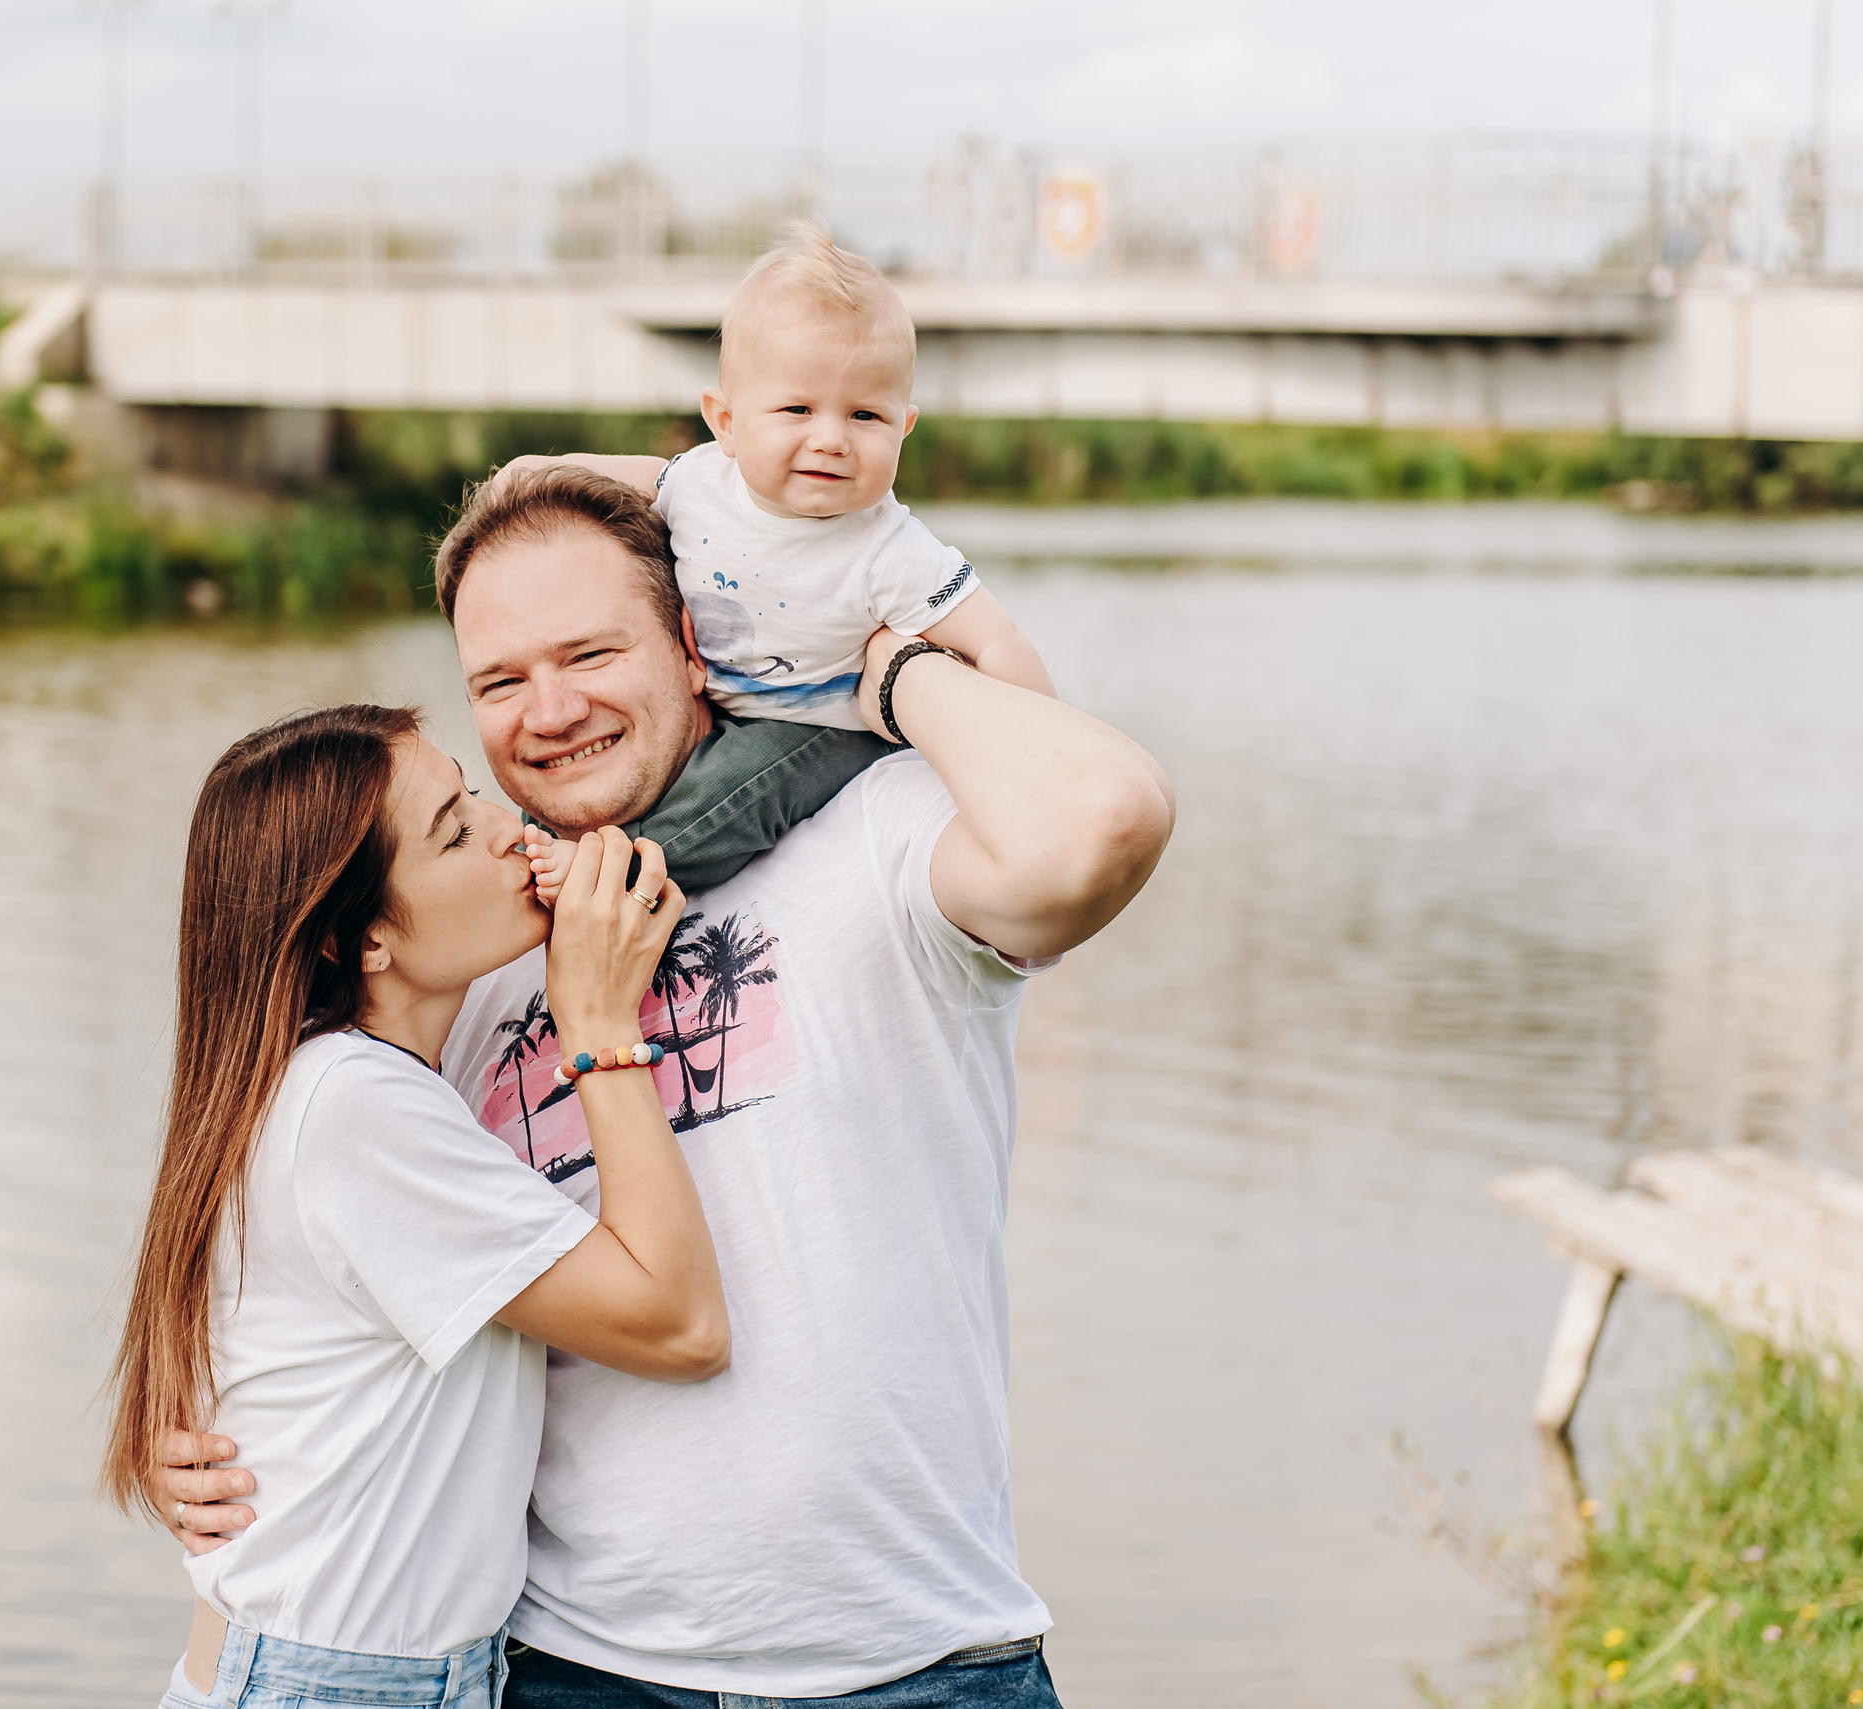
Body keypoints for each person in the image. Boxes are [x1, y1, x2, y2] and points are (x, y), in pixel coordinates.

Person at [153, 468, 1175, 1706]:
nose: (550, 710)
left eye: (590, 651)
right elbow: (290, 1232)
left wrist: (881, 667)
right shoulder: (470, 940)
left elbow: (1105, 817)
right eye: (498, 679)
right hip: (567, 1665)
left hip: (912, 1661)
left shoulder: (875, 835)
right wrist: (224, 1446)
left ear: (697, 648)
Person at [102, 704, 732, 1709]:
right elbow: (680, 1320)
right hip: (335, 1683)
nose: (508, 828)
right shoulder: (357, 1104)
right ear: (366, 939)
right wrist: (602, 1030)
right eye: (452, 829)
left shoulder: (327, 1079)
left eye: (471, 791)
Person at [511, 221, 1055, 904]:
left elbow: (996, 639)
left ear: (903, 427)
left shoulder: (889, 548)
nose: (831, 439)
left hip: (815, 724)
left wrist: (1048, 747)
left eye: (865, 417)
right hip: (710, 698)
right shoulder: (703, 483)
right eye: (797, 408)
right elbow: (643, 477)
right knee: (588, 765)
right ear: (728, 422)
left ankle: (622, 877)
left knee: (733, 796)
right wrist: (541, 471)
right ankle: (549, 839)